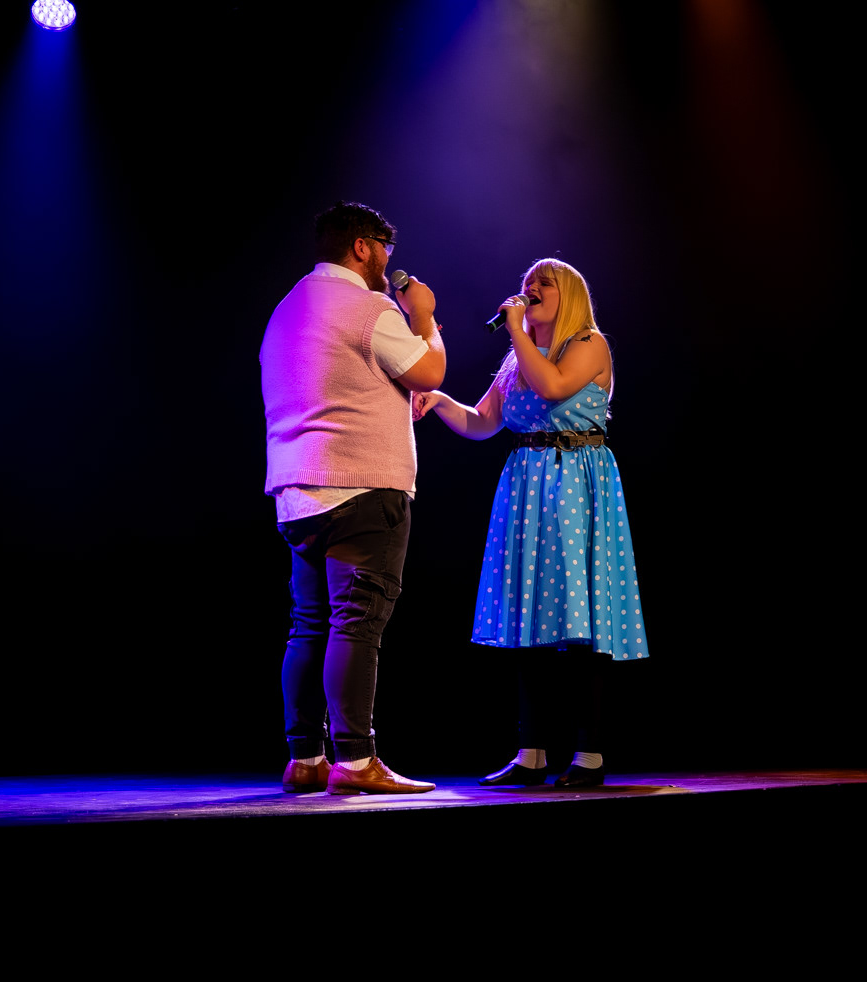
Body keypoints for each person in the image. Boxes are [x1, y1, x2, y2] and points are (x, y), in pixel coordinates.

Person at [411, 258, 648, 788]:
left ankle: (589, 755)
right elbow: (483, 422)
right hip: (527, 485)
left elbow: (555, 387)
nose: (531, 289)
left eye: (544, 283)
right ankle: (532, 752)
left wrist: (517, 331)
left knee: (581, 619)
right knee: (529, 619)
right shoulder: (517, 358)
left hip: (576, 482)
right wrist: (440, 401)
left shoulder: (588, 343)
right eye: (527, 283)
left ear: (570, 296)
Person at [260, 201, 445, 795]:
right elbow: (429, 372)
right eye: (385, 248)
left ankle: (306, 759)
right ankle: (357, 760)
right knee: (356, 624)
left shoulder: (286, 309)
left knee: (309, 626)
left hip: (297, 494)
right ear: (362, 247)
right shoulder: (368, 308)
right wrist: (425, 319)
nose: (389, 260)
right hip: (362, 488)